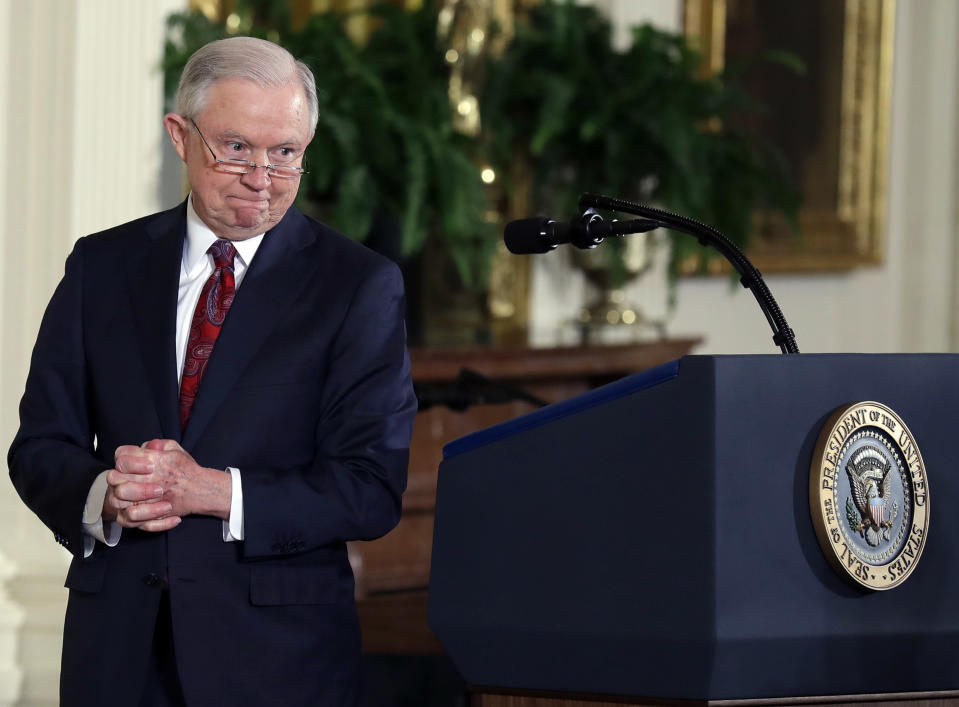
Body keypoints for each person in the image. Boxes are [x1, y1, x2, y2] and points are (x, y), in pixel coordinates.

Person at [8, 36, 416, 706]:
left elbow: (369, 487)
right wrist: (106, 493)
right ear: (180, 134)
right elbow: (39, 446)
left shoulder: (357, 286)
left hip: (276, 658)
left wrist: (214, 491)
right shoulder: (101, 268)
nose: (262, 176)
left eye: (284, 152)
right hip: (118, 654)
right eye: (236, 147)